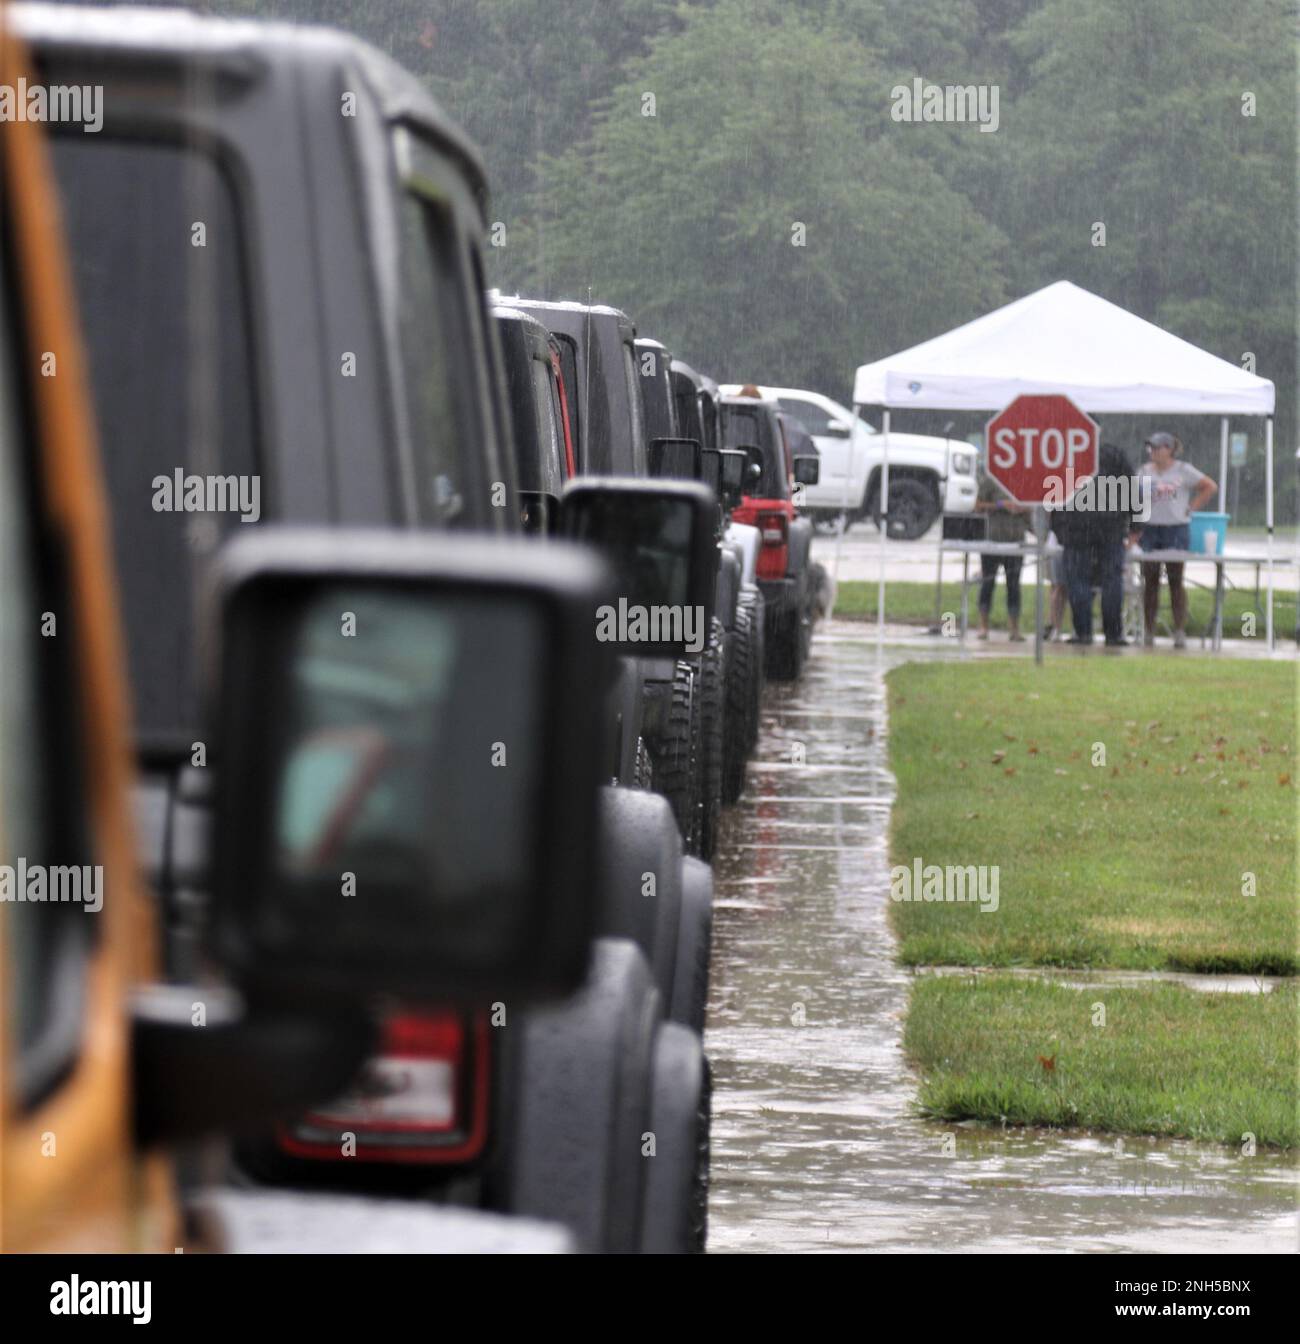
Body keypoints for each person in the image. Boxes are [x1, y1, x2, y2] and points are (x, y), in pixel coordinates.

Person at [1053, 442, 1140, 646]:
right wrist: (1135, 525)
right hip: (1109, 527)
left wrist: (1058, 528)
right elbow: (1133, 489)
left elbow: (1054, 491)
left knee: (1079, 581)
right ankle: (1113, 634)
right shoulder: (1114, 453)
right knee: (1111, 581)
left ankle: (1083, 632)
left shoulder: (1066, 454)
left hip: (1078, 528)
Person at [1136, 431, 1217, 648]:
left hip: (1175, 529)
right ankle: (1149, 631)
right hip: (1151, 529)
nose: (1153, 452)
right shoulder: (1143, 472)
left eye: (1157, 447)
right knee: (1150, 582)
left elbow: (1209, 486)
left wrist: (1192, 507)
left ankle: (1179, 631)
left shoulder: (1183, 470)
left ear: (1169, 449)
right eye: (1150, 448)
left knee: (1175, 580)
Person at [974, 469, 1031, 640]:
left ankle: (1014, 628)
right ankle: (983, 626)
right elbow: (977, 506)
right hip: (993, 541)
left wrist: (1023, 508)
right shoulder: (991, 479)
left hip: (1016, 541)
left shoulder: (1025, 480)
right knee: (988, 583)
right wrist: (1001, 505)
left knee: (1013, 586)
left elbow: (1034, 507)